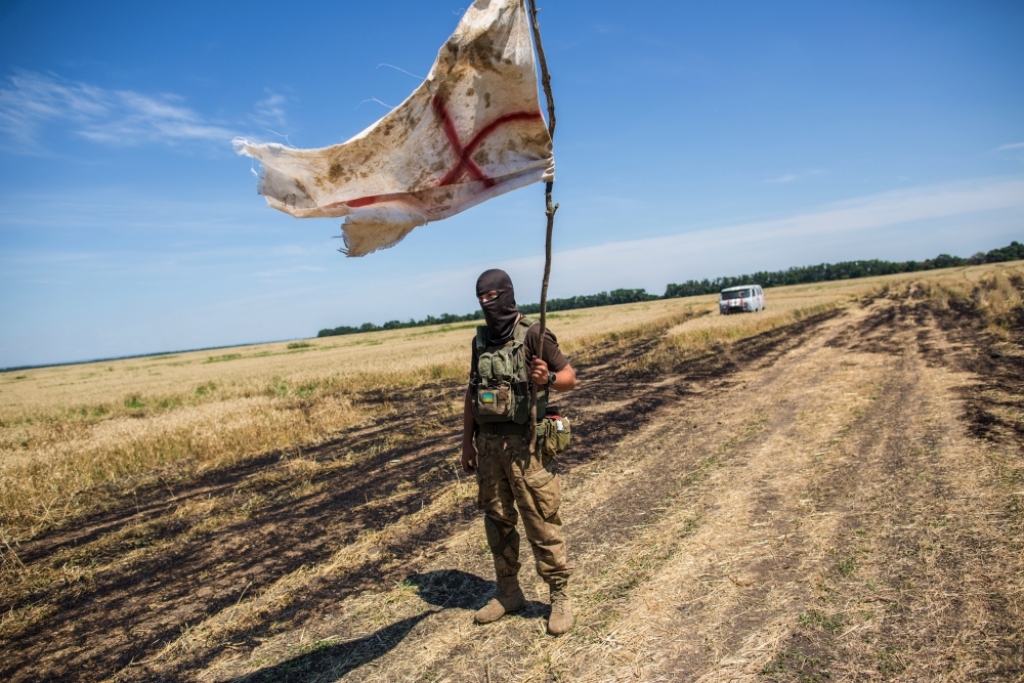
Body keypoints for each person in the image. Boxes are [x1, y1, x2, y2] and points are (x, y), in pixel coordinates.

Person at [461, 268, 578, 636]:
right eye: (481, 298)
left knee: (541, 520)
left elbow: (570, 377)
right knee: (497, 521)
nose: (487, 303)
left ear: (507, 295)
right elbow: (472, 391)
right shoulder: (480, 341)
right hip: (489, 448)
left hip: (525, 448)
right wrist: (467, 443)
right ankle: (509, 592)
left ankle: (559, 596)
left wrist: (548, 379)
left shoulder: (534, 334)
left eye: (492, 297)